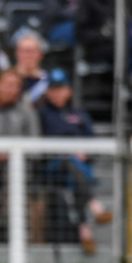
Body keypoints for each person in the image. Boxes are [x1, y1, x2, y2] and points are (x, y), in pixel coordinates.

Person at [36, 69, 112, 251]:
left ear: (68, 90)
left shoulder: (79, 115)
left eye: (60, 88)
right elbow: (38, 144)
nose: (57, 93)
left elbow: (94, 145)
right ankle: (94, 206)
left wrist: (86, 153)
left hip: (76, 168)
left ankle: (84, 231)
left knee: (74, 172)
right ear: (47, 91)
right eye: (53, 89)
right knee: (69, 162)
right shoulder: (41, 114)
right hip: (51, 166)